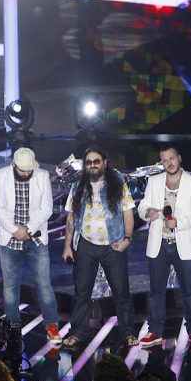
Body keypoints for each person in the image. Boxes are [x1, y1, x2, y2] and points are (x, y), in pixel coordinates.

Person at [61, 145, 138, 350]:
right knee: (81, 293)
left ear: (104, 163)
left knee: (121, 292)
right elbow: (71, 218)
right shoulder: (78, 186)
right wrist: (67, 246)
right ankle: (78, 332)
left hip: (113, 245)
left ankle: (128, 333)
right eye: (89, 162)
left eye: (96, 161)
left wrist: (127, 239)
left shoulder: (118, 185)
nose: (93, 165)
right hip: (85, 245)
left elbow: (128, 213)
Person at [137, 145, 191, 351]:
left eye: (172, 158)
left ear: (179, 158)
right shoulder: (154, 181)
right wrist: (147, 212)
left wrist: (179, 222)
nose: (169, 163)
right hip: (158, 244)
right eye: (165, 160)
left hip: (184, 244)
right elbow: (142, 206)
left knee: (190, 291)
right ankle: (155, 331)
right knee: (156, 291)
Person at [0, 147, 61, 343]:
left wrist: (27, 229)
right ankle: (13, 326)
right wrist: (15, 230)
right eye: (22, 170)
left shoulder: (42, 176)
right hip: (9, 238)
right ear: (13, 164)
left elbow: (47, 208)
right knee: (10, 286)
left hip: (36, 238)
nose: (26, 173)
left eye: (29, 169)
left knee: (44, 284)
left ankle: (52, 325)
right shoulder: (0, 176)